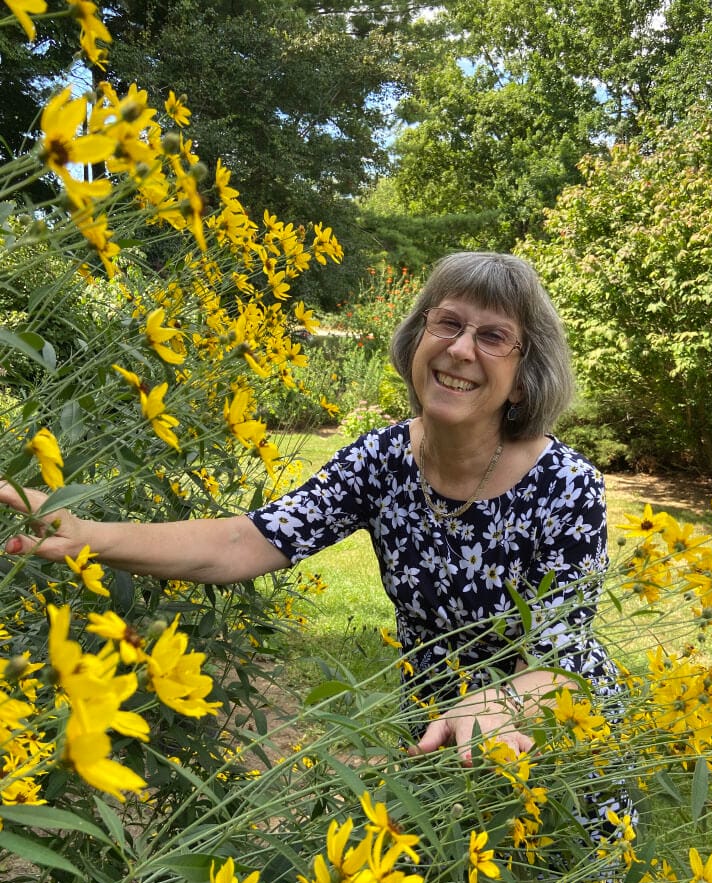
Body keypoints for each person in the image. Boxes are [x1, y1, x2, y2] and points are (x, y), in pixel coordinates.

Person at [0, 251, 620, 769]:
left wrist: (496, 706)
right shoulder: (381, 461)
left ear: (524, 371)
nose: (460, 350)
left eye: (492, 336)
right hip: (434, 732)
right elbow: (244, 542)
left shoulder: (565, 487)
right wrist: (84, 533)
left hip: (548, 735)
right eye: (447, 324)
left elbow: (563, 655)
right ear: (416, 339)